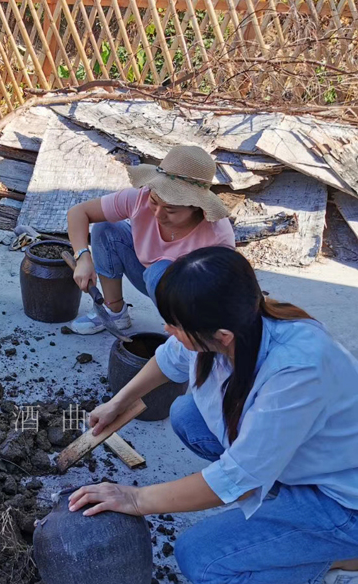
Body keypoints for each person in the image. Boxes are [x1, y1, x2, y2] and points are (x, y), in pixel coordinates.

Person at [68, 247, 358, 584]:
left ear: (222, 337)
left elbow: (235, 476)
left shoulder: (298, 371)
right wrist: (118, 402)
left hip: (342, 500)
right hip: (304, 464)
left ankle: (338, 556)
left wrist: (135, 498)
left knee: (201, 558)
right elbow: (170, 358)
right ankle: (290, 521)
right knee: (187, 415)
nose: (166, 328)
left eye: (175, 325)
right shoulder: (236, 320)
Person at [66, 144, 235, 335]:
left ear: (196, 207)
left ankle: (184, 336)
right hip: (146, 274)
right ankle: (115, 312)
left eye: (170, 210)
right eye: (154, 202)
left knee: (160, 272)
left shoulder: (217, 235)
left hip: (190, 297)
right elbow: (78, 213)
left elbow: (220, 296)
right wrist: (82, 257)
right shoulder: (140, 198)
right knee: (106, 228)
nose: (158, 214)